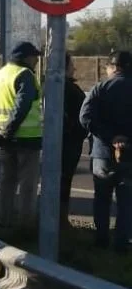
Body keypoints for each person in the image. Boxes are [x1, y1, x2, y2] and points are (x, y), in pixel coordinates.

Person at [79, 51, 132, 253]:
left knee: (102, 198)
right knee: (126, 201)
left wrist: (110, 138)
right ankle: (121, 244)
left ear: (114, 67)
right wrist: (124, 140)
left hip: (102, 153)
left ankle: (101, 240)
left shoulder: (100, 88)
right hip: (129, 154)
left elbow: (85, 117)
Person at [0, 41, 43, 228]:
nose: (36, 60)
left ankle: (4, 221)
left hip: (5, 139)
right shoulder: (24, 74)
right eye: (35, 56)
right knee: (28, 185)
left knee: (7, 182)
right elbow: (23, 105)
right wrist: (9, 131)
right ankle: (25, 226)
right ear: (26, 57)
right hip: (27, 139)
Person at [59, 51, 87, 231]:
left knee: (59, 180)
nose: (74, 68)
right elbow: (83, 117)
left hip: (61, 140)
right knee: (64, 180)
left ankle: (58, 218)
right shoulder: (70, 90)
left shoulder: (51, 86)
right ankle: (61, 220)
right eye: (71, 65)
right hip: (69, 142)